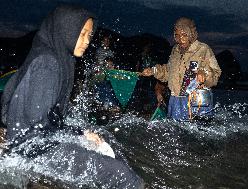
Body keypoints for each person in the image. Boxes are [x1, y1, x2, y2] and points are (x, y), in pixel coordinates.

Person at [1, 5, 144, 188]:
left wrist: (81, 133)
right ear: (66, 29)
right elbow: (38, 128)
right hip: (33, 150)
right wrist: (78, 134)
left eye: (89, 36)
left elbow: (41, 114)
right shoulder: (47, 64)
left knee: (104, 145)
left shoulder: (55, 56)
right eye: (82, 33)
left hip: (36, 143)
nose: (86, 41)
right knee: (122, 175)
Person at [142, 17, 221, 121]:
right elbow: (168, 71)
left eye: (184, 35)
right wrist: (153, 71)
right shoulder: (175, 50)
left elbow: (216, 73)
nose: (180, 39)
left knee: (199, 133)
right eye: (177, 35)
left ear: (191, 34)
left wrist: (205, 74)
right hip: (175, 101)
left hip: (196, 101)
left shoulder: (203, 49)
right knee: (177, 132)